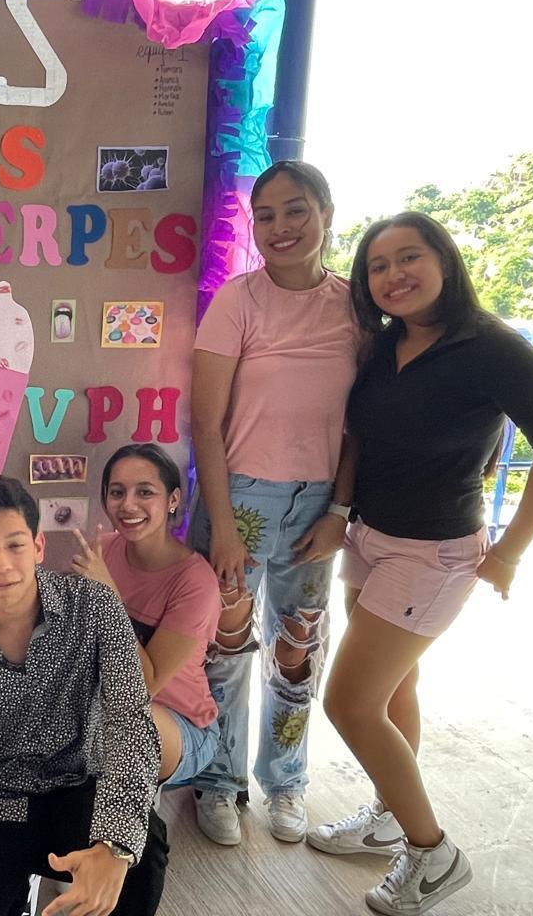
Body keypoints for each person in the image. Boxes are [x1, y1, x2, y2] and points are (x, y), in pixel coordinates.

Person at [310, 212, 533, 915]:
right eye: (378, 265)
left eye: (410, 257)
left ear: (444, 260)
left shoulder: (492, 347)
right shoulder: (386, 343)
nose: (393, 275)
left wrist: (511, 549)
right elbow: (360, 436)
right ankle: (389, 814)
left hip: (433, 551)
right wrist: (342, 514)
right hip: (370, 537)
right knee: (395, 688)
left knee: (348, 702)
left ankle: (434, 854)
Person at [188, 160, 362, 845]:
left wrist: (340, 511)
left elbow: (361, 426)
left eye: (296, 210)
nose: (281, 227)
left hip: (319, 503)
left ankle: (286, 782)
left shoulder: (355, 307)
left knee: (298, 649)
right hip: (240, 496)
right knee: (224, 646)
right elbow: (205, 424)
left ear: (326, 214)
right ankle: (217, 782)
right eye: (265, 215)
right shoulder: (238, 300)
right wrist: (223, 526)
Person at [0, 476, 166, 916]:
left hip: (77, 789)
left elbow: (130, 722)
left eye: (15, 545)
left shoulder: (96, 607)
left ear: (39, 546)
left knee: (142, 853)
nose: (1, 564)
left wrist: (114, 846)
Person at [70, 444, 221, 787]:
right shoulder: (104, 551)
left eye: (145, 492)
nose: (128, 504)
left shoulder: (196, 582)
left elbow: (146, 685)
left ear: (173, 500)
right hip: (108, 707)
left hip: (179, 726)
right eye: (117, 492)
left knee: (119, 724)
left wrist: (108, 595)